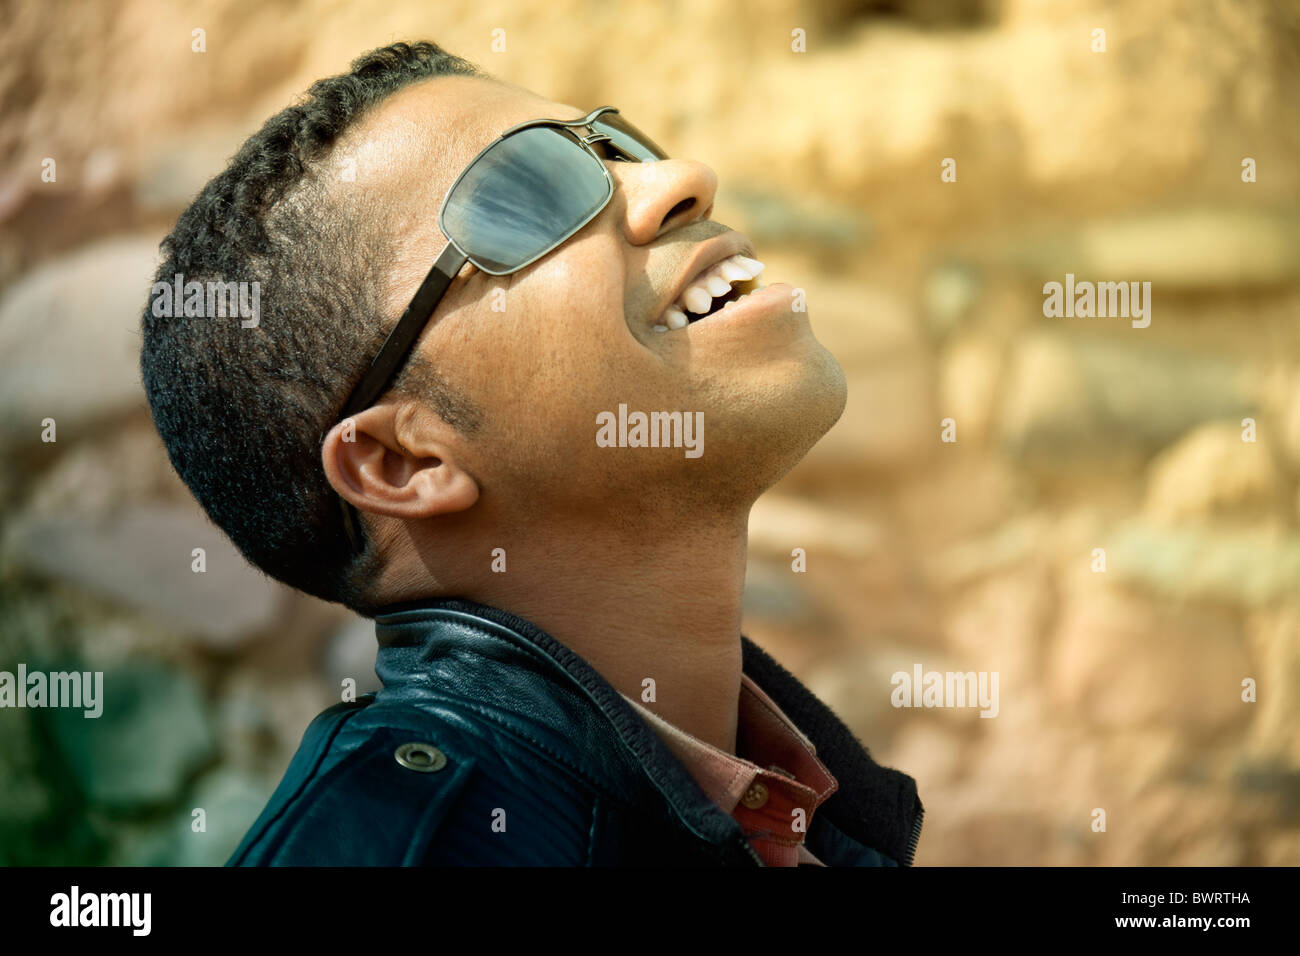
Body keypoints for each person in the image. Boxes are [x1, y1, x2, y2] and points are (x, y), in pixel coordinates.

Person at [139, 40, 923, 866]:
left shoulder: (805, 819)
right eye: (529, 192)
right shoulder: (402, 849)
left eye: (615, 144)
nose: (680, 178)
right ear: (404, 464)